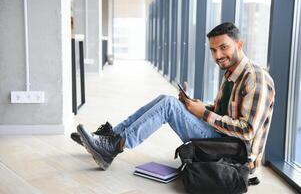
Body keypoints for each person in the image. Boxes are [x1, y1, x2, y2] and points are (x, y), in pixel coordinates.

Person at [71, 22, 275, 171]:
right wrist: (196, 105)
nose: (218, 55)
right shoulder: (231, 73)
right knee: (165, 99)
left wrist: (202, 113)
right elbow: (223, 113)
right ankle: (108, 138)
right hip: (220, 137)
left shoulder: (256, 78)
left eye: (224, 47)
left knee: (168, 105)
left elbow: (247, 131)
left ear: (239, 45)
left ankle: (112, 148)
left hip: (235, 154)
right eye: (213, 50)